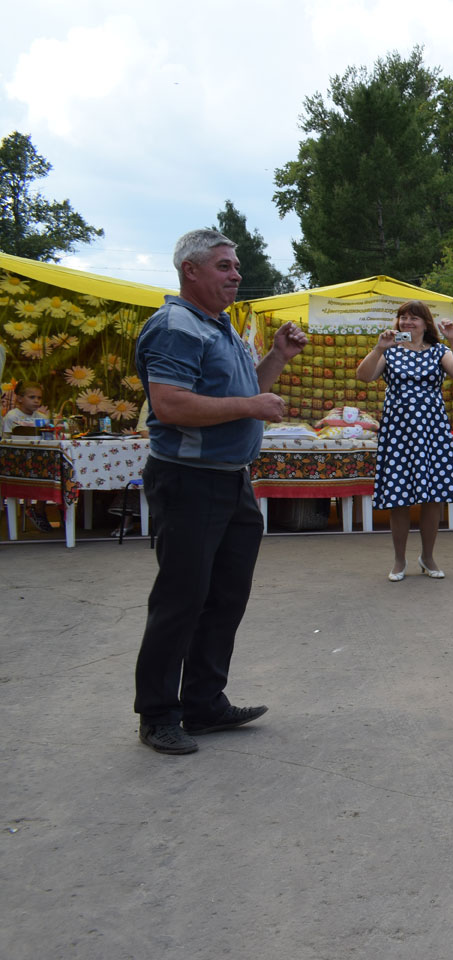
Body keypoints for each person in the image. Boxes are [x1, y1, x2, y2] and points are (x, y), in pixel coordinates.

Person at [133, 229, 308, 755]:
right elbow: (170, 405)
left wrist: (276, 358)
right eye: (225, 266)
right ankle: (158, 714)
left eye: (236, 266)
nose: (236, 274)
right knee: (181, 599)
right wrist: (252, 409)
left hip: (231, 478)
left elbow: (246, 390)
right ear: (191, 271)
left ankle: (205, 702)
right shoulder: (175, 327)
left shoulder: (220, 327)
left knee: (226, 596)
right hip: (188, 480)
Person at [357, 300, 453, 580]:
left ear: (425, 324)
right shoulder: (390, 352)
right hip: (398, 432)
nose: (407, 322)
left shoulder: (438, 351)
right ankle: (399, 560)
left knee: (433, 497)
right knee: (399, 497)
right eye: (403, 318)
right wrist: (379, 348)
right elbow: (364, 376)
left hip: (432, 430)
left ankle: (428, 557)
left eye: (413, 318)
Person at [2, 381, 54, 531]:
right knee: (46, 469)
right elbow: (6, 441)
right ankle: (37, 510)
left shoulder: (42, 416)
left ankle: (39, 509)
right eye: (32, 397)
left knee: (53, 470)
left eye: (39, 398)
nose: (37, 401)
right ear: (19, 398)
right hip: (18, 460)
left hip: (38, 459)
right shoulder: (12, 417)